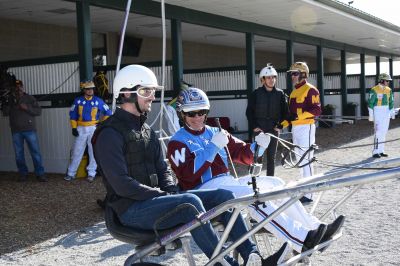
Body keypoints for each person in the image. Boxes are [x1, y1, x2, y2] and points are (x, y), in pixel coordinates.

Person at [92, 64, 286, 266]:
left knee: (224, 197)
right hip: (129, 211)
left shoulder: (147, 131)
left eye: (152, 91)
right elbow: (121, 184)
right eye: (145, 91)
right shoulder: (109, 134)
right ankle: (224, 263)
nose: (151, 96)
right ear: (126, 94)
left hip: (153, 203)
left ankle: (252, 256)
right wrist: (165, 196)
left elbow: (163, 170)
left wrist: (169, 193)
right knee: (189, 203)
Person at [167, 87, 344, 254]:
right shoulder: (177, 141)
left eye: (201, 112)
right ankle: (302, 239)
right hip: (204, 192)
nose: (197, 117)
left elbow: (244, 154)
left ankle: (314, 228)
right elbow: (187, 175)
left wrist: (258, 146)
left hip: (227, 183)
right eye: (191, 113)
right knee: (252, 196)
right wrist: (212, 148)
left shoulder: (216, 131)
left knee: (277, 184)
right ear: (182, 114)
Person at [283, 62, 321, 204]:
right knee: (300, 160)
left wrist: (299, 117)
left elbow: (317, 110)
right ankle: (303, 190)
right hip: (296, 129)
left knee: (307, 160)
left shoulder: (311, 90)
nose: (292, 76)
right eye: (291, 73)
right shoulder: (293, 92)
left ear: (303, 74)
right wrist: (281, 125)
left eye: (295, 73)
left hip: (306, 127)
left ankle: (310, 195)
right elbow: (291, 115)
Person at [246, 64, 289, 176]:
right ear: (263, 79)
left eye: (273, 77)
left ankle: (270, 181)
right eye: (268, 77)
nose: (271, 80)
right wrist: (254, 126)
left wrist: (280, 126)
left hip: (273, 129)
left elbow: (286, 113)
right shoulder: (256, 93)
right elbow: (249, 112)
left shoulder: (280, 94)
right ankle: (256, 180)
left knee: (271, 157)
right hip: (258, 128)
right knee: (257, 156)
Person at [65, 80, 111, 182]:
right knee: (77, 151)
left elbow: (108, 112)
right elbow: (72, 115)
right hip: (80, 128)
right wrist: (73, 127)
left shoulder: (98, 101)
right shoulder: (77, 101)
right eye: (88, 89)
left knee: (93, 151)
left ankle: (91, 173)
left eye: (92, 88)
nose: (90, 90)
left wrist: (101, 123)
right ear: (84, 90)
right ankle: (71, 173)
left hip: (93, 129)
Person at [2, 79, 47, 182]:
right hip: (16, 131)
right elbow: (5, 113)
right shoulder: (9, 99)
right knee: (19, 154)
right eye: (16, 87)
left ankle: (40, 174)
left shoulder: (30, 98)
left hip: (29, 130)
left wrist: (26, 107)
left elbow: (38, 111)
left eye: (20, 86)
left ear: (22, 87)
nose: (18, 89)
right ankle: (23, 174)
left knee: (35, 152)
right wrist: (7, 103)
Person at [368, 73, 395, 158]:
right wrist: (371, 115)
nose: (388, 82)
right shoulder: (374, 90)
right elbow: (370, 103)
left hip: (386, 111)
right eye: (387, 80)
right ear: (381, 80)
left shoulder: (389, 90)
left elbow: (391, 102)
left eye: (388, 81)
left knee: (384, 132)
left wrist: (392, 112)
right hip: (377, 111)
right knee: (378, 132)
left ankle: (381, 150)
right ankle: (375, 152)